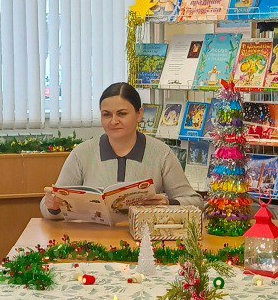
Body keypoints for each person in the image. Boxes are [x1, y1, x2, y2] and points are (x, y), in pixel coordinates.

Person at [41, 82, 203, 218]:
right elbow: (46, 208)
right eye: (106, 114)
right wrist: (53, 206)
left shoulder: (161, 153)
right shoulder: (81, 153)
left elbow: (195, 202)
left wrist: (168, 203)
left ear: (139, 114)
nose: (113, 121)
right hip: (92, 239)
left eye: (122, 114)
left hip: (144, 239)